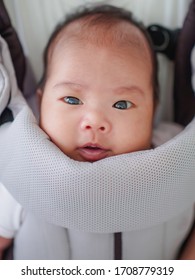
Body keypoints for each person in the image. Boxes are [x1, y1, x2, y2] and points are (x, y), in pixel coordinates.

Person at [0, 4, 192, 259]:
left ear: (153, 112)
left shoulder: (179, 155)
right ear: (41, 103)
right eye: (71, 100)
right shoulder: (21, 170)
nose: (94, 122)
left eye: (121, 104)